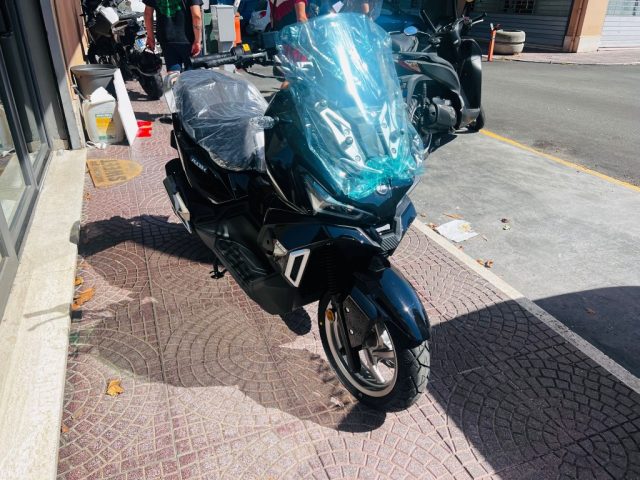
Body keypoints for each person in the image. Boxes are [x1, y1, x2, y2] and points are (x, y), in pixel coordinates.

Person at [143, 0, 204, 73]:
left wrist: (150, 38)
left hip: (166, 39)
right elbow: (196, 16)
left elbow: (147, 14)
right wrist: (197, 41)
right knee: (195, 76)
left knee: (173, 74)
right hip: (189, 40)